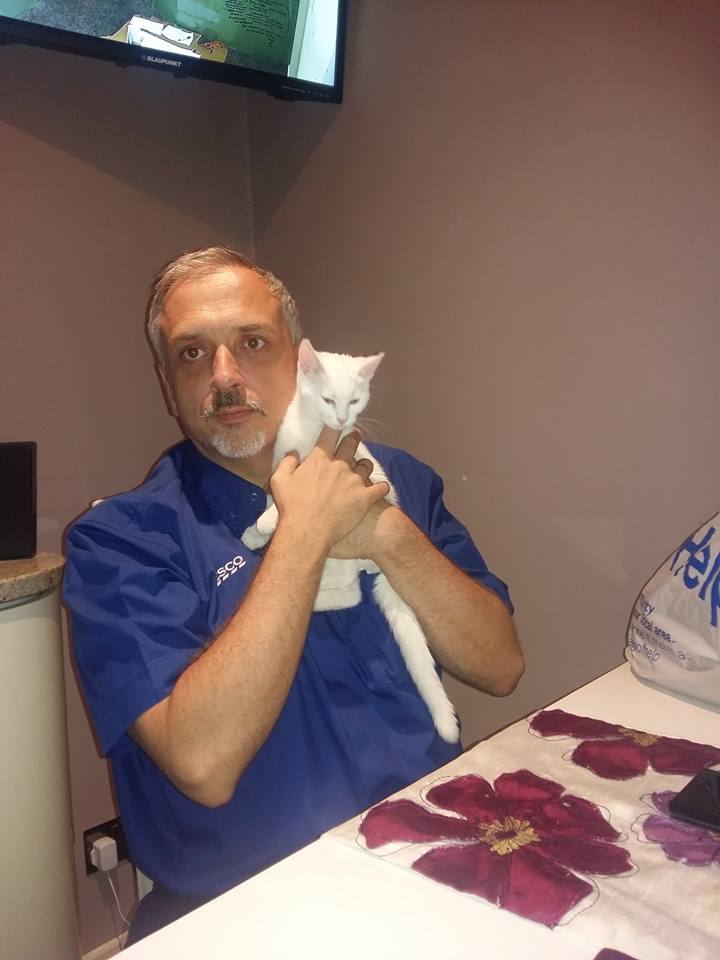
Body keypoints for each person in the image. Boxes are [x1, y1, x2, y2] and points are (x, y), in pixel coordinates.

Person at [63, 247, 524, 943]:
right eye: (192, 354)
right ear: (167, 384)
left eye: (252, 343)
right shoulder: (121, 542)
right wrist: (305, 532)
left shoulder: (396, 479)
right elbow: (203, 764)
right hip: (250, 909)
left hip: (434, 854)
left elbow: (500, 664)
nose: (224, 376)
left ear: (300, 359)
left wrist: (386, 534)